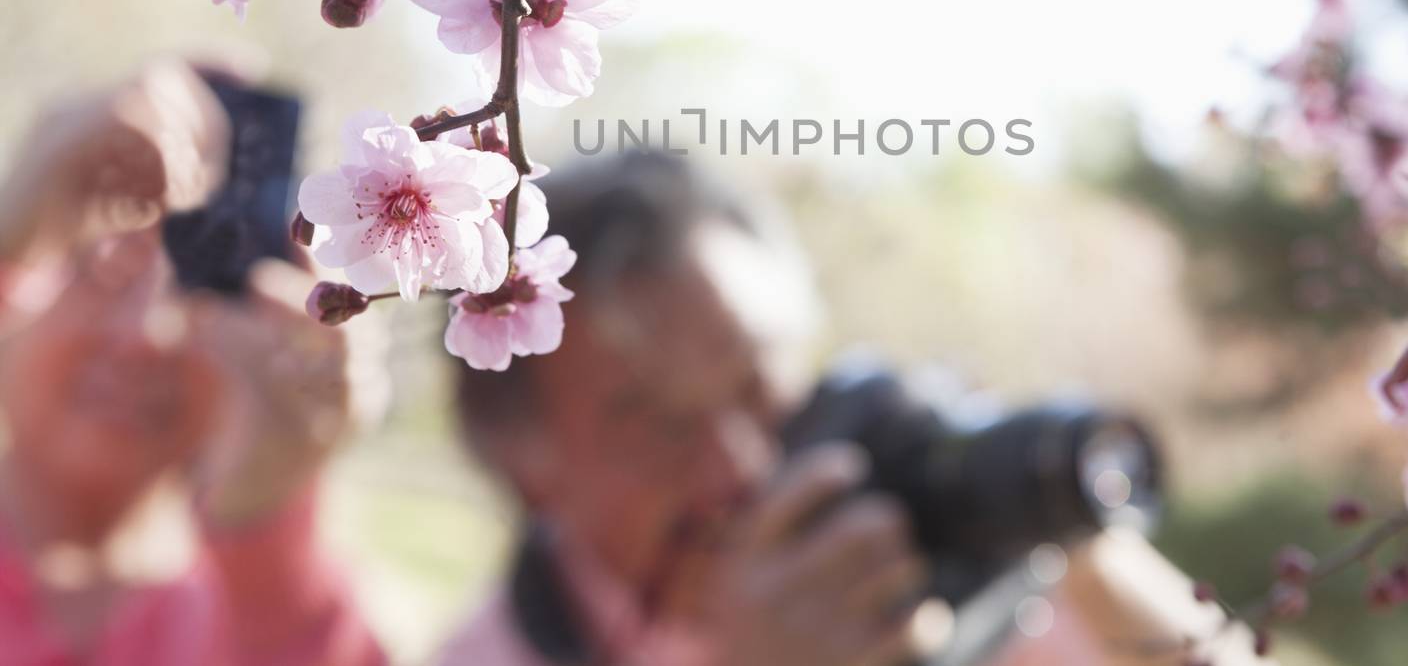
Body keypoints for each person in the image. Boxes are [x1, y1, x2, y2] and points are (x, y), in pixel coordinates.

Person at [440, 151, 1256, 666]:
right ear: (523, 463)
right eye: (659, 426)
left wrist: (1050, 526)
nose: (744, 464)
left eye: (760, 386)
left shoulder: (923, 557)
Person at [0, 62, 386, 666]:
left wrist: (268, 506)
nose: (145, 334)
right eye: (107, 266)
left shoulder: (277, 617)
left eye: (205, 290)